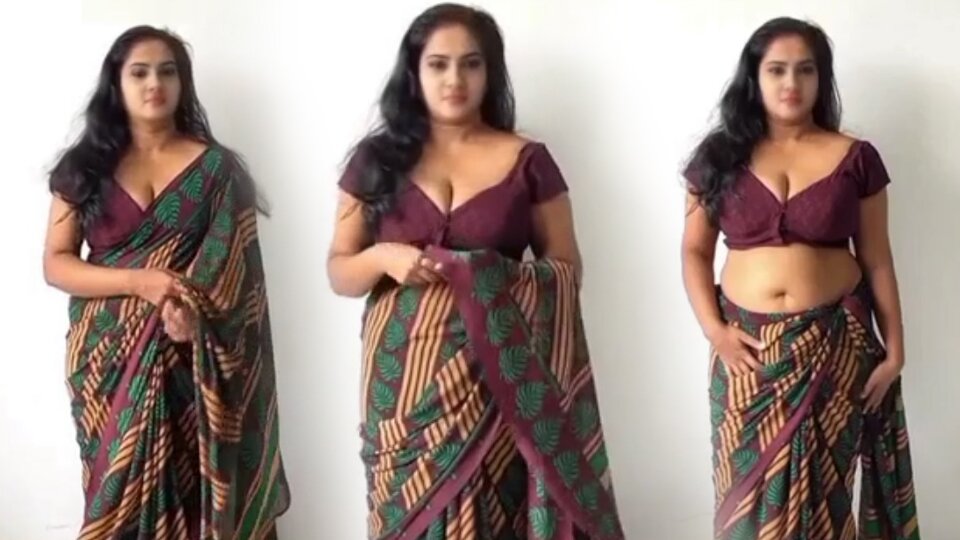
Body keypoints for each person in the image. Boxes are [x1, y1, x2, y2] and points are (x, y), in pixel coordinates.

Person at [327, 4, 623, 539]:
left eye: (471, 64)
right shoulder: (375, 161)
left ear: (491, 71)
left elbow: (566, 270)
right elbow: (340, 271)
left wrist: (484, 274)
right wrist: (383, 257)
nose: (455, 79)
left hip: (499, 381)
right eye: (438, 64)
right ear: (414, 71)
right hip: (404, 384)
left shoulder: (528, 161)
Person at [42, 25, 290, 539]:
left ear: (183, 82)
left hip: (193, 363)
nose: (154, 83)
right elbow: (57, 264)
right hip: (106, 363)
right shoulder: (84, 168)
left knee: (197, 494)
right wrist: (140, 282)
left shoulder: (217, 170)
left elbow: (240, 282)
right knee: (115, 497)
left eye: (167, 71)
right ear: (117, 83)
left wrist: (196, 316)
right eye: (139, 72)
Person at [681, 17, 920, 540]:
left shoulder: (856, 158)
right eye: (777, 70)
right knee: (744, 508)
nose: (791, 83)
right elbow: (694, 253)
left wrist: (896, 351)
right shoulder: (717, 158)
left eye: (805, 70)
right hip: (747, 356)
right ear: (754, 77)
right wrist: (716, 332)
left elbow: (877, 258)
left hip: (833, 348)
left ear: (821, 78)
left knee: (826, 499)